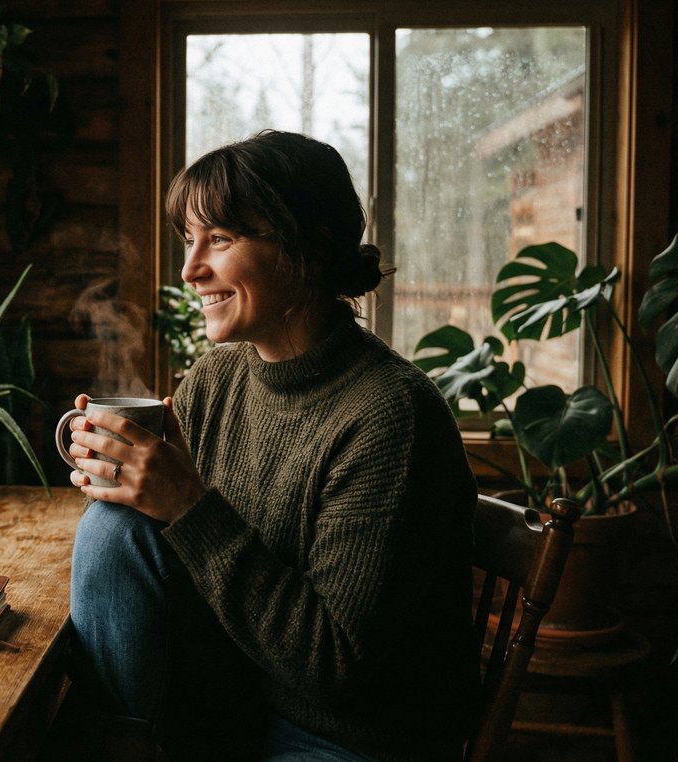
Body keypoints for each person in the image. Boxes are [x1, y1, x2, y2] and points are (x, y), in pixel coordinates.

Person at [60, 130, 479, 761]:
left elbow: (332, 666)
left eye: (220, 239)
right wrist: (129, 484)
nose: (190, 269)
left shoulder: (391, 417)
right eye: (189, 239)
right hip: (238, 700)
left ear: (308, 249)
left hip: (349, 737)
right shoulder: (218, 378)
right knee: (112, 529)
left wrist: (187, 505)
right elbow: (168, 554)